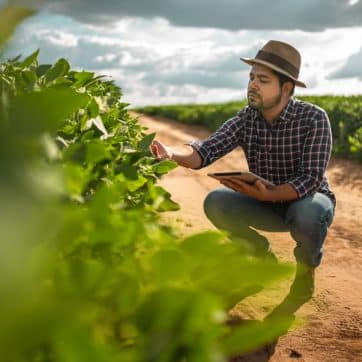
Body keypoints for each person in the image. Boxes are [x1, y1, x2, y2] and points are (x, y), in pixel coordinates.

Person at [150, 40, 336, 318]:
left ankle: (305, 274)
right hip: (265, 202)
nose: (253, 85)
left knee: (309, 212)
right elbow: (205, 150)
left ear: (286, 89)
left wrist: (270, 194)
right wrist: (171, 153)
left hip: (304, 201)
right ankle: (261, 260)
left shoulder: (313, 118)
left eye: (263, 79)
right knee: (216, 202)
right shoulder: (247, 118)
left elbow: (310, 179)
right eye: (251, 78)